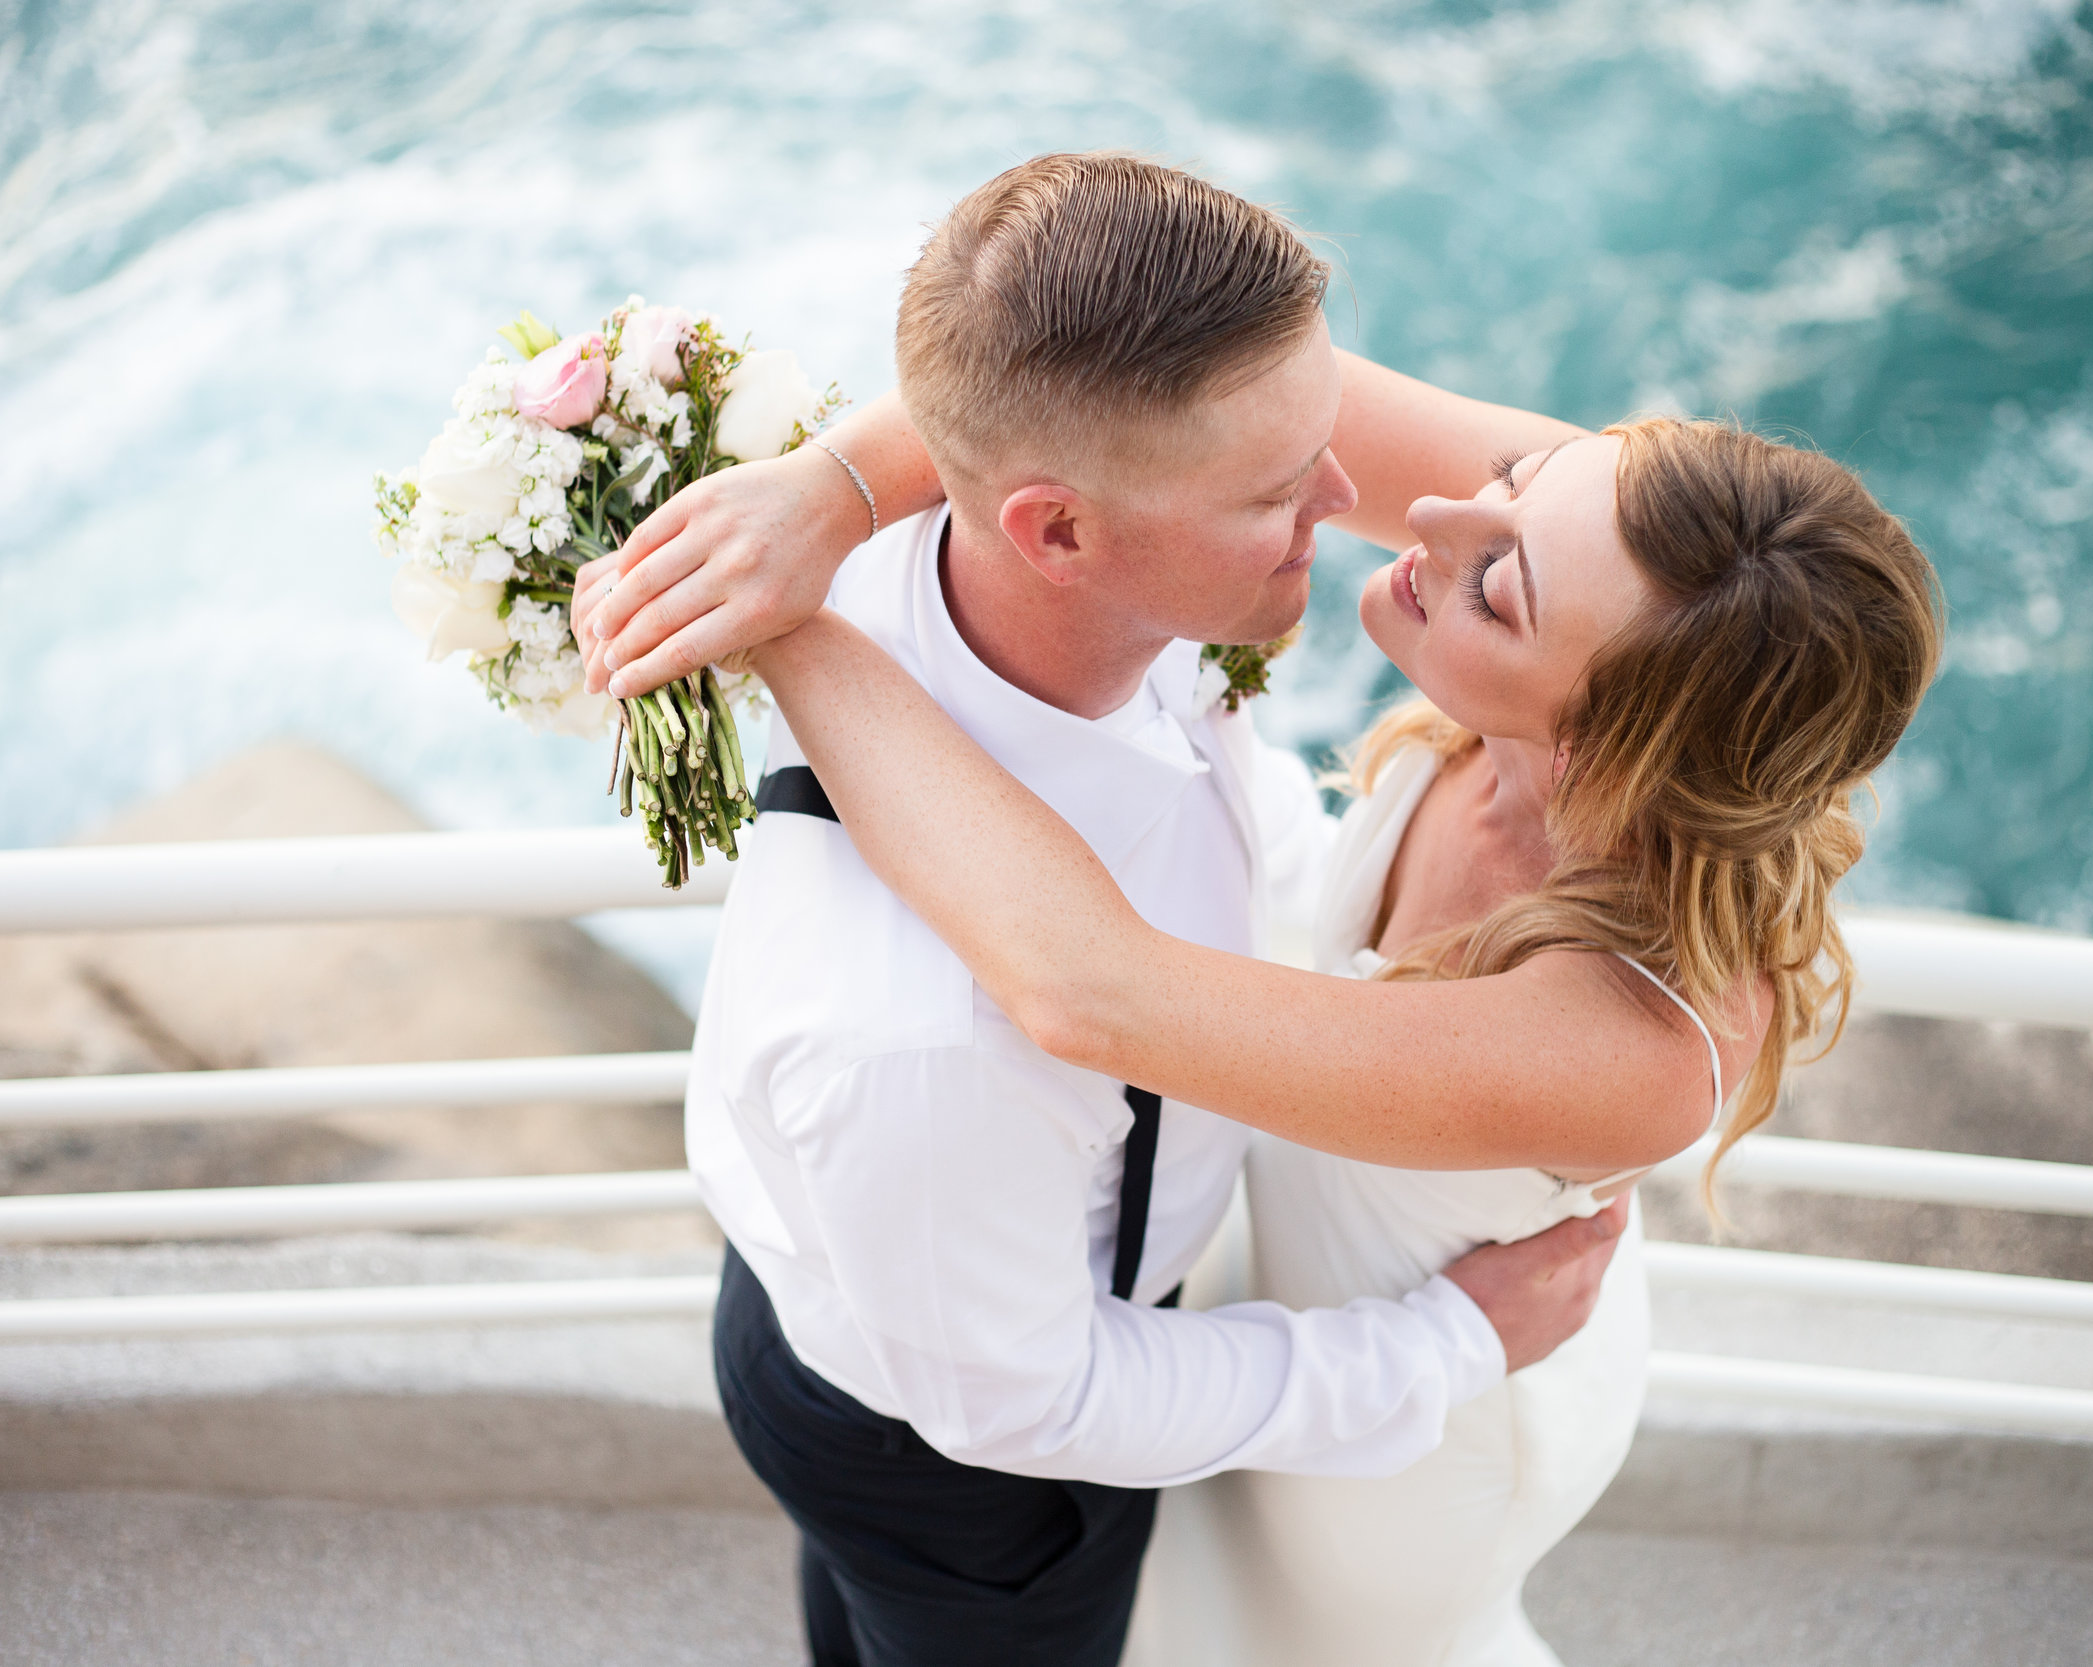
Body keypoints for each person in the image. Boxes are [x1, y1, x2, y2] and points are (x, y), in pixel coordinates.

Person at [583, 158, 1942, 1665]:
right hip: (1130, 1331)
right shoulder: (1630, 554)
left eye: (1500, 585)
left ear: (1609, 739)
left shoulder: (1624, 1034)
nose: (1410, 509)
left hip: (1427, 1412)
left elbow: (1086, 989)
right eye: (1507, 477)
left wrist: (784, 631)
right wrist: (822, 497)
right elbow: (1107, 379)